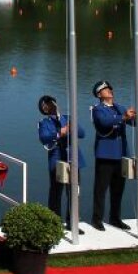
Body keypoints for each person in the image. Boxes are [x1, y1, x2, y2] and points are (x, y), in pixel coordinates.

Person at [91, 80, 136, 231]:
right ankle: (97, 219)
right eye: (105, 89)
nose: (109, 90)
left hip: (121, 154)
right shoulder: (98, 109)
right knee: (101, 189)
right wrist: (123, 117)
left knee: (118, 189)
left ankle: (115, 218)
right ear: (99, 94)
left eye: (110, 88)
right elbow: (104, 122)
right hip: (105, 154)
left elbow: (133, 123)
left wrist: (133, 117)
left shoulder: (119, 107)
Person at [37, 94, 85, 224]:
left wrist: (71, 127)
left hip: (73, 159)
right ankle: (54, 223)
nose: (52, 105)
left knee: (75, 191)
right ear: (44, 109)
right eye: (47, 104)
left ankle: (72, 222)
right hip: (57, 160)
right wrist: (59, 133)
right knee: (56, 192)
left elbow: (82, 133)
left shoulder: (67, 118)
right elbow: (44, 138)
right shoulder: (44, 122)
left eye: (53, 102)